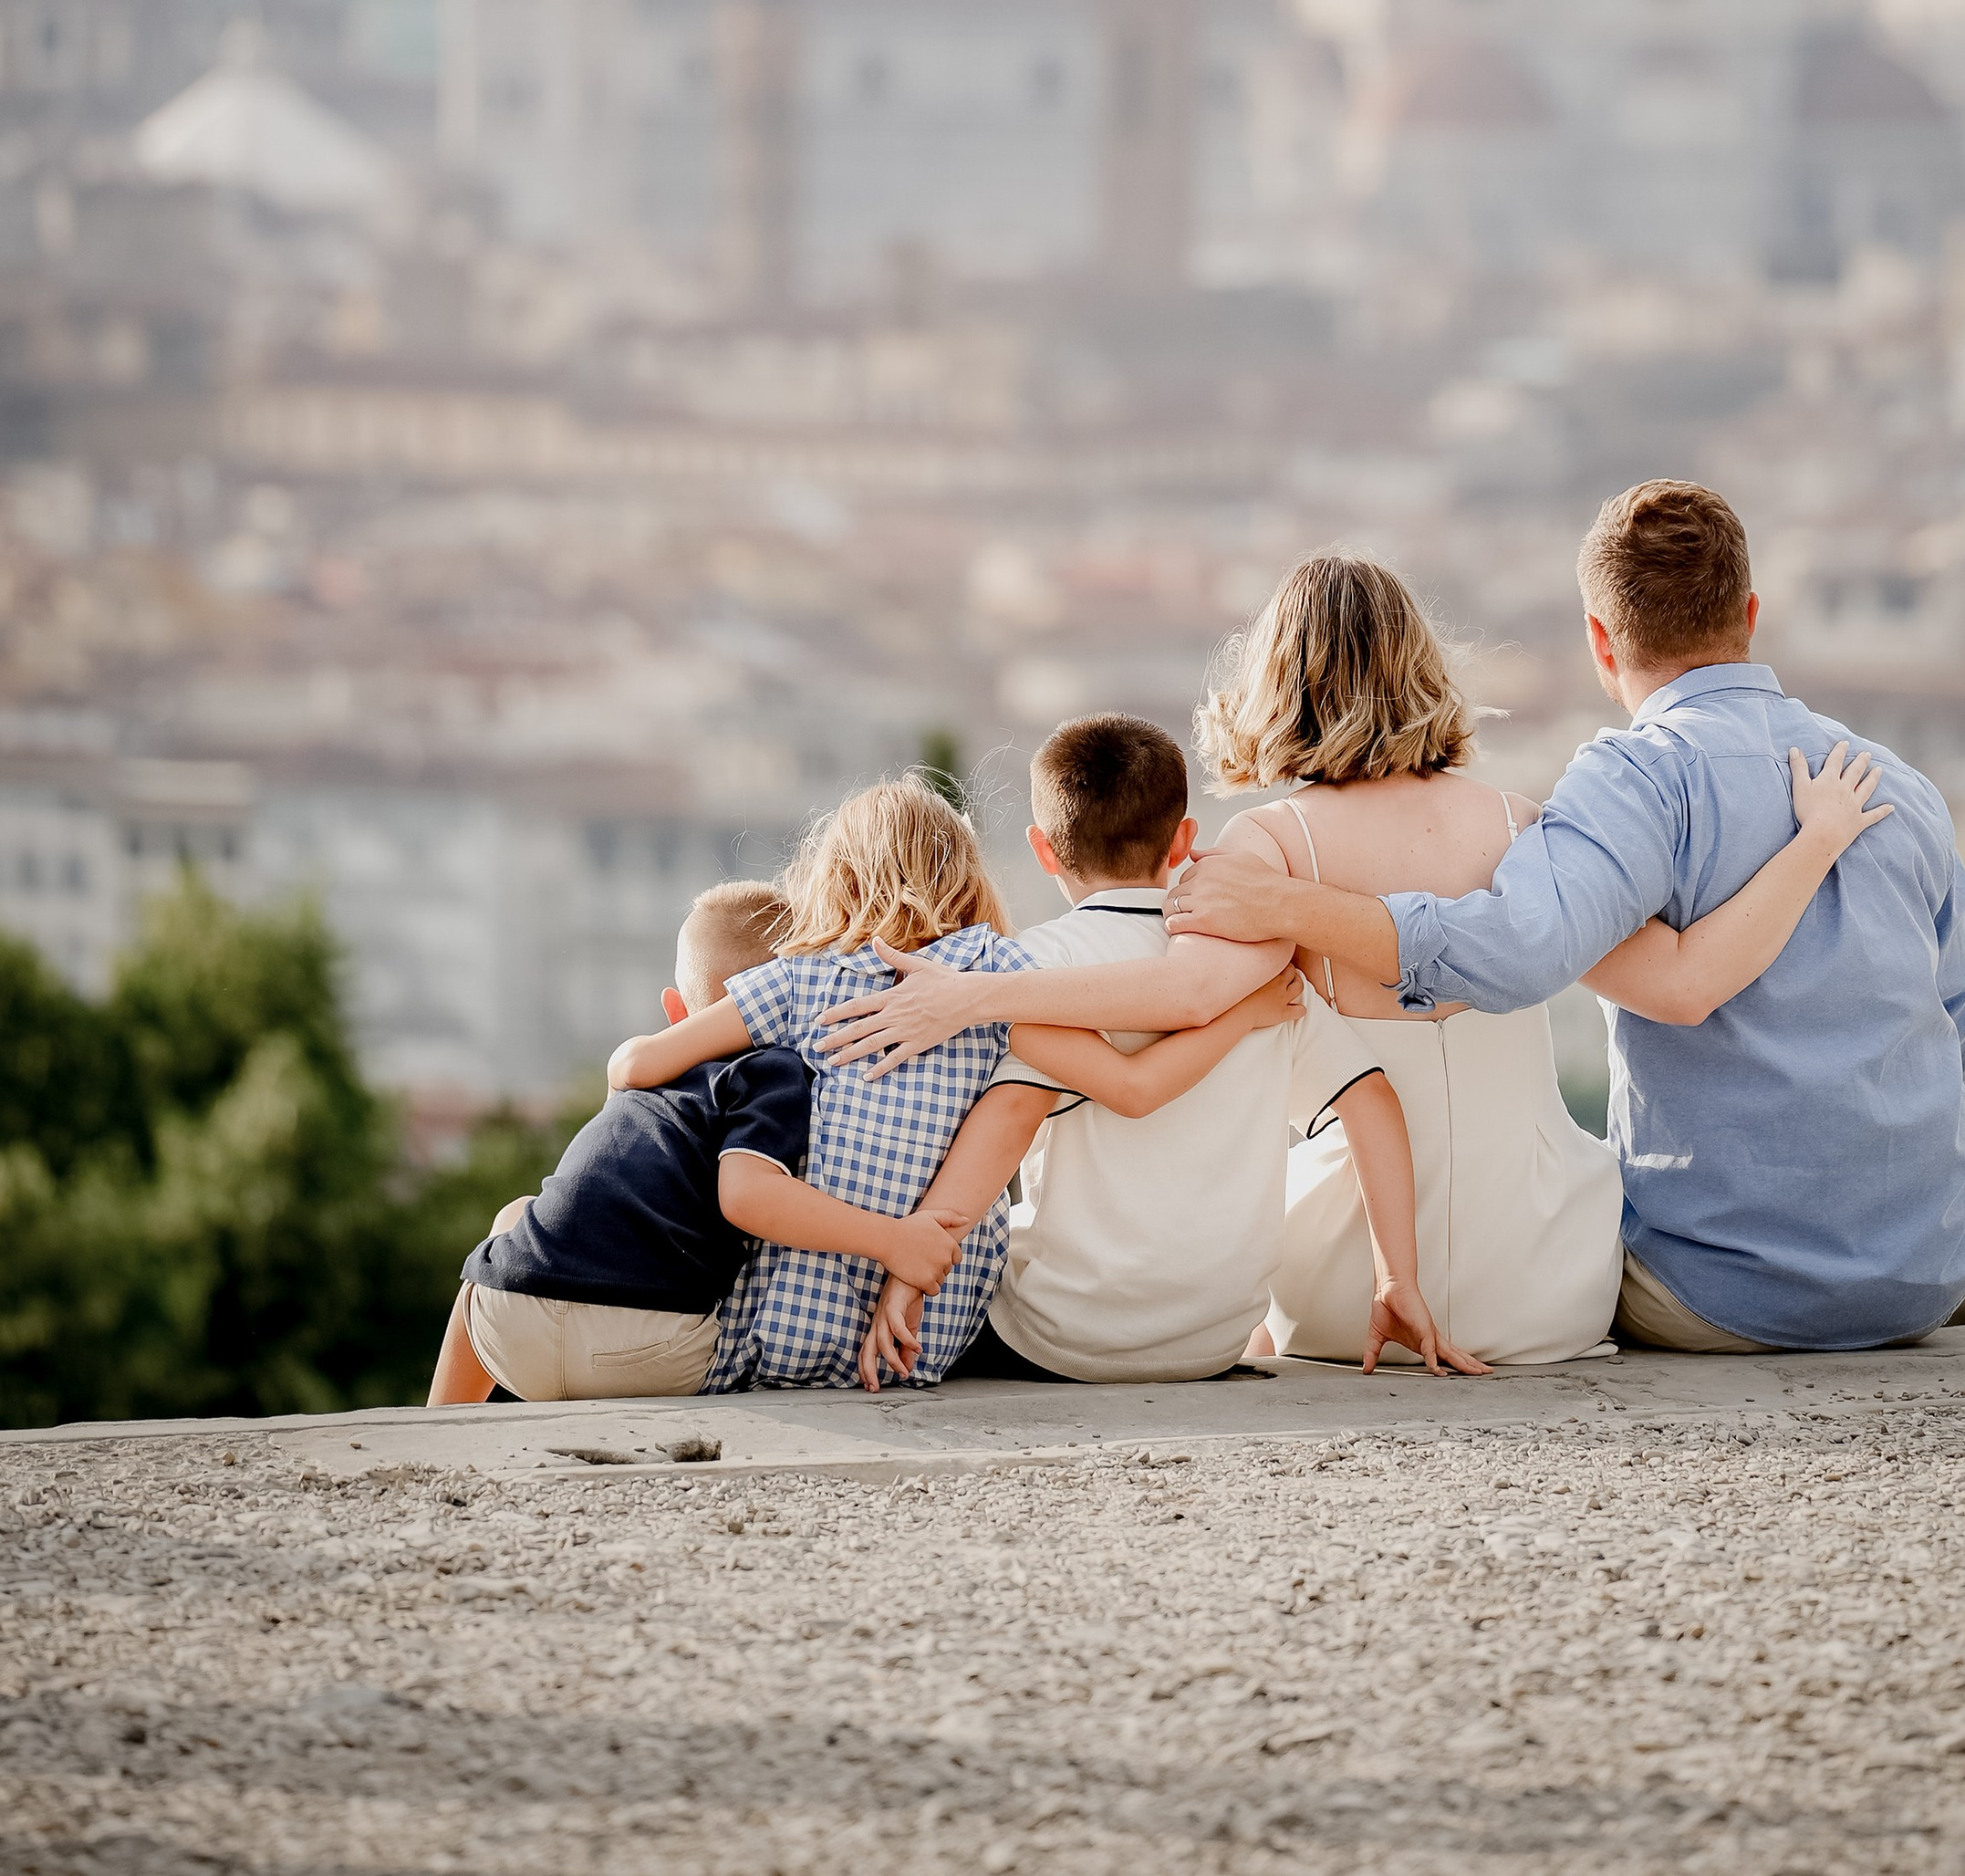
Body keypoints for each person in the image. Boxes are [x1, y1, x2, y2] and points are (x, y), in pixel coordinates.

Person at [822, 568, 1896, 1371]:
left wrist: (977, 994)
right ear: (1425, 668)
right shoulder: (1529, 825)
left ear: (1272, 685)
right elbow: (1679, 978)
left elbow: (1189, 996)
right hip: (1546, 1285)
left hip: (1349, 1296)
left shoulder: (1270, 849)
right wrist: (1813, 848)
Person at [1162, 486, 1965, 1353]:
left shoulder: (1630, 784)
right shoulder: (1894, 785)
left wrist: (1287, 905)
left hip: (1718, 1291)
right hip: (1927, 1273)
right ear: (1750, 614)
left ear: (1601, 641)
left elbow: (1521, 953)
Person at [604, 773, 1309, 1389]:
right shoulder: (1007, 982)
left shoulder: (794, 982)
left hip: (781, 1330)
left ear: (837, 884)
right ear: (971, 879)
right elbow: (1132, 1086)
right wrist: (1242, 1011)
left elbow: (636, 1068)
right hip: (930, 1338)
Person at [854, 712, 1465, 1391]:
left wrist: (910, 1269)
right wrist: (1394, 1280)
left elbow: (1008, 1122)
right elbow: (1371, 1100)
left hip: (1065, 1337)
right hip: (1212, 1336)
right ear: (1183, 841)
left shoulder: (1035, 968)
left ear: (1044, 850)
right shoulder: (1254, 970)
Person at [426, 878, 924, 1406]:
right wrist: (893, 1240)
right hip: (650, 1346)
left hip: (513, 1326)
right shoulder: (770, 1073)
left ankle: (441, 1422)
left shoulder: (648, 1076)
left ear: (675, 1010)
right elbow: (751, 1197)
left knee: (512, 1221)